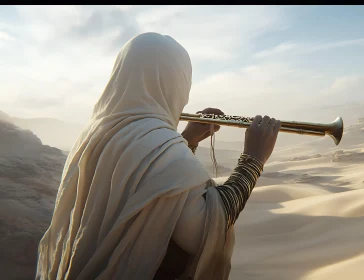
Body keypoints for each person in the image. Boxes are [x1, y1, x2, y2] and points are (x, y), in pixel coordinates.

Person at [36, 32, 280, 280]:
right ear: (176, 83)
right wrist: (253, 159)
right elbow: (204, 229)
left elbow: (151, 192)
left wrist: (187, 141)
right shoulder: (158, 143)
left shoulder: (95, 134)